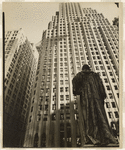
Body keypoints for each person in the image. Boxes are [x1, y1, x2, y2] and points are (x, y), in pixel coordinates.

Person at [72, 64, 117, 146]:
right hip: (97, 100)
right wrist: (102, 97)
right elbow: (102, 90)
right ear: (89, 69)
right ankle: (105, 137)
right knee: (101, 117)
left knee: (89, 118)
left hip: (86, 100)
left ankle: (92, 138)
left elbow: (75, 88)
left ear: (83, 69)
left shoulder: (79, 75)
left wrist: (79, 91)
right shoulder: (96, 76)